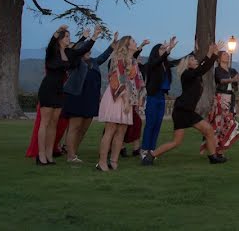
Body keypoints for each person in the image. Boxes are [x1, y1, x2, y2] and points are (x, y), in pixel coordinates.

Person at [142, 41, 221, 165]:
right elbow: (202, 68)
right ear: (187, 64)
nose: (196, 61)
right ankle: (213, 157)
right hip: (183, 110)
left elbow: (202, 67)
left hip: (184, 110)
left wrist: (211, 55)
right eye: (193, 60)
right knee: (206, 131)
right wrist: (211, 54)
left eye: (196, 60)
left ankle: (150, 156)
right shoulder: (187, 74)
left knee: (197, 135)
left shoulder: (194, 75)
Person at [34, 25, 99, 165]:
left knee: (53, 123)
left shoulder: (68, 53)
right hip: (48, 88)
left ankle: (49, 154)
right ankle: (41, 155)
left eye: (69, 37)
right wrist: (57, 31)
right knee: (45, 123)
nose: (69, 39)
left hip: (60, 90)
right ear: (60, 39)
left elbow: (81, 49)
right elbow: (52, 42)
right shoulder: (52, 51)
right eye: (67, 37)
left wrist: (93, 37)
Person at [61, 29, 118, 164]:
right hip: (76, 97)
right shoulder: (74, 62)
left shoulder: (93, 62)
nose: (89, 51)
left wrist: (112, 46)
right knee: (74, 127)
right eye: (87, 49)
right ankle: (70, 155)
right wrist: (90, 38)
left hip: (91, 99)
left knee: (83, 129)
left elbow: (103, 57)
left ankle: (73, 151)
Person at [96, 36, 146, 171]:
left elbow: (138, 82)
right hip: (116, 97)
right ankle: (102, 162)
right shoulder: (118, 59)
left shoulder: (134, 62)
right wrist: (125, 99)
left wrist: (137, 100)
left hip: (128, 99)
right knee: (111, 129)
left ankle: (114, 161)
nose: (136, 43)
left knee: (122, 131)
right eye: (134, 41)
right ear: (127, 45)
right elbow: (118, 79)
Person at [203, 49, 239, 162]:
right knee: (219, 125)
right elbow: (221, 81)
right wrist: (232, 79)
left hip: (230, 99)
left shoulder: (232, 70)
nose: (227, 56)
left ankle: (219, 152)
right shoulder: (217, 70)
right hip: (221, 99)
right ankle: (215, 153)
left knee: (228, 124)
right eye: (224, 55)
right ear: (219, 58)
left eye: (227, 55)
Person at [140, 36, 182, 161]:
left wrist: (194, 52)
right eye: (162, 48)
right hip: (153, 96)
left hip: (161, 98)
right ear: (156, 51)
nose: (164, 50)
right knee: (150, 124)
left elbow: (178, 61)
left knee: (158, 124)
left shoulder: (165, 64)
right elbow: (157, 62)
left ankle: (152, 149)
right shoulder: (152, 64)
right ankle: (144, 149)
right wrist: (168, 50)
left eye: (165, 48)